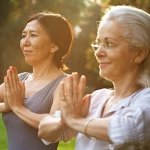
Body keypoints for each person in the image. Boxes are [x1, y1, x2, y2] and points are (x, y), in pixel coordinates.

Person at [38, 5, 150, 150]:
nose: (98, 53)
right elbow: (44, 131)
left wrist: (74, 121)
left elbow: (129, 130)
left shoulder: (145, 99)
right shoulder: (98, 98)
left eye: (109, 44)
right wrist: (64, 121)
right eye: (98, 43)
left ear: (139, 53)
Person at [0, 11, 73, 150]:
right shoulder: (20, 79)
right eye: (23, 35)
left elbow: (55, 125)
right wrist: (6, 106)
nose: (25, 42)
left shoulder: (64, 83)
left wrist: (17, 108)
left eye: (33, 35)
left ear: (54, 46)